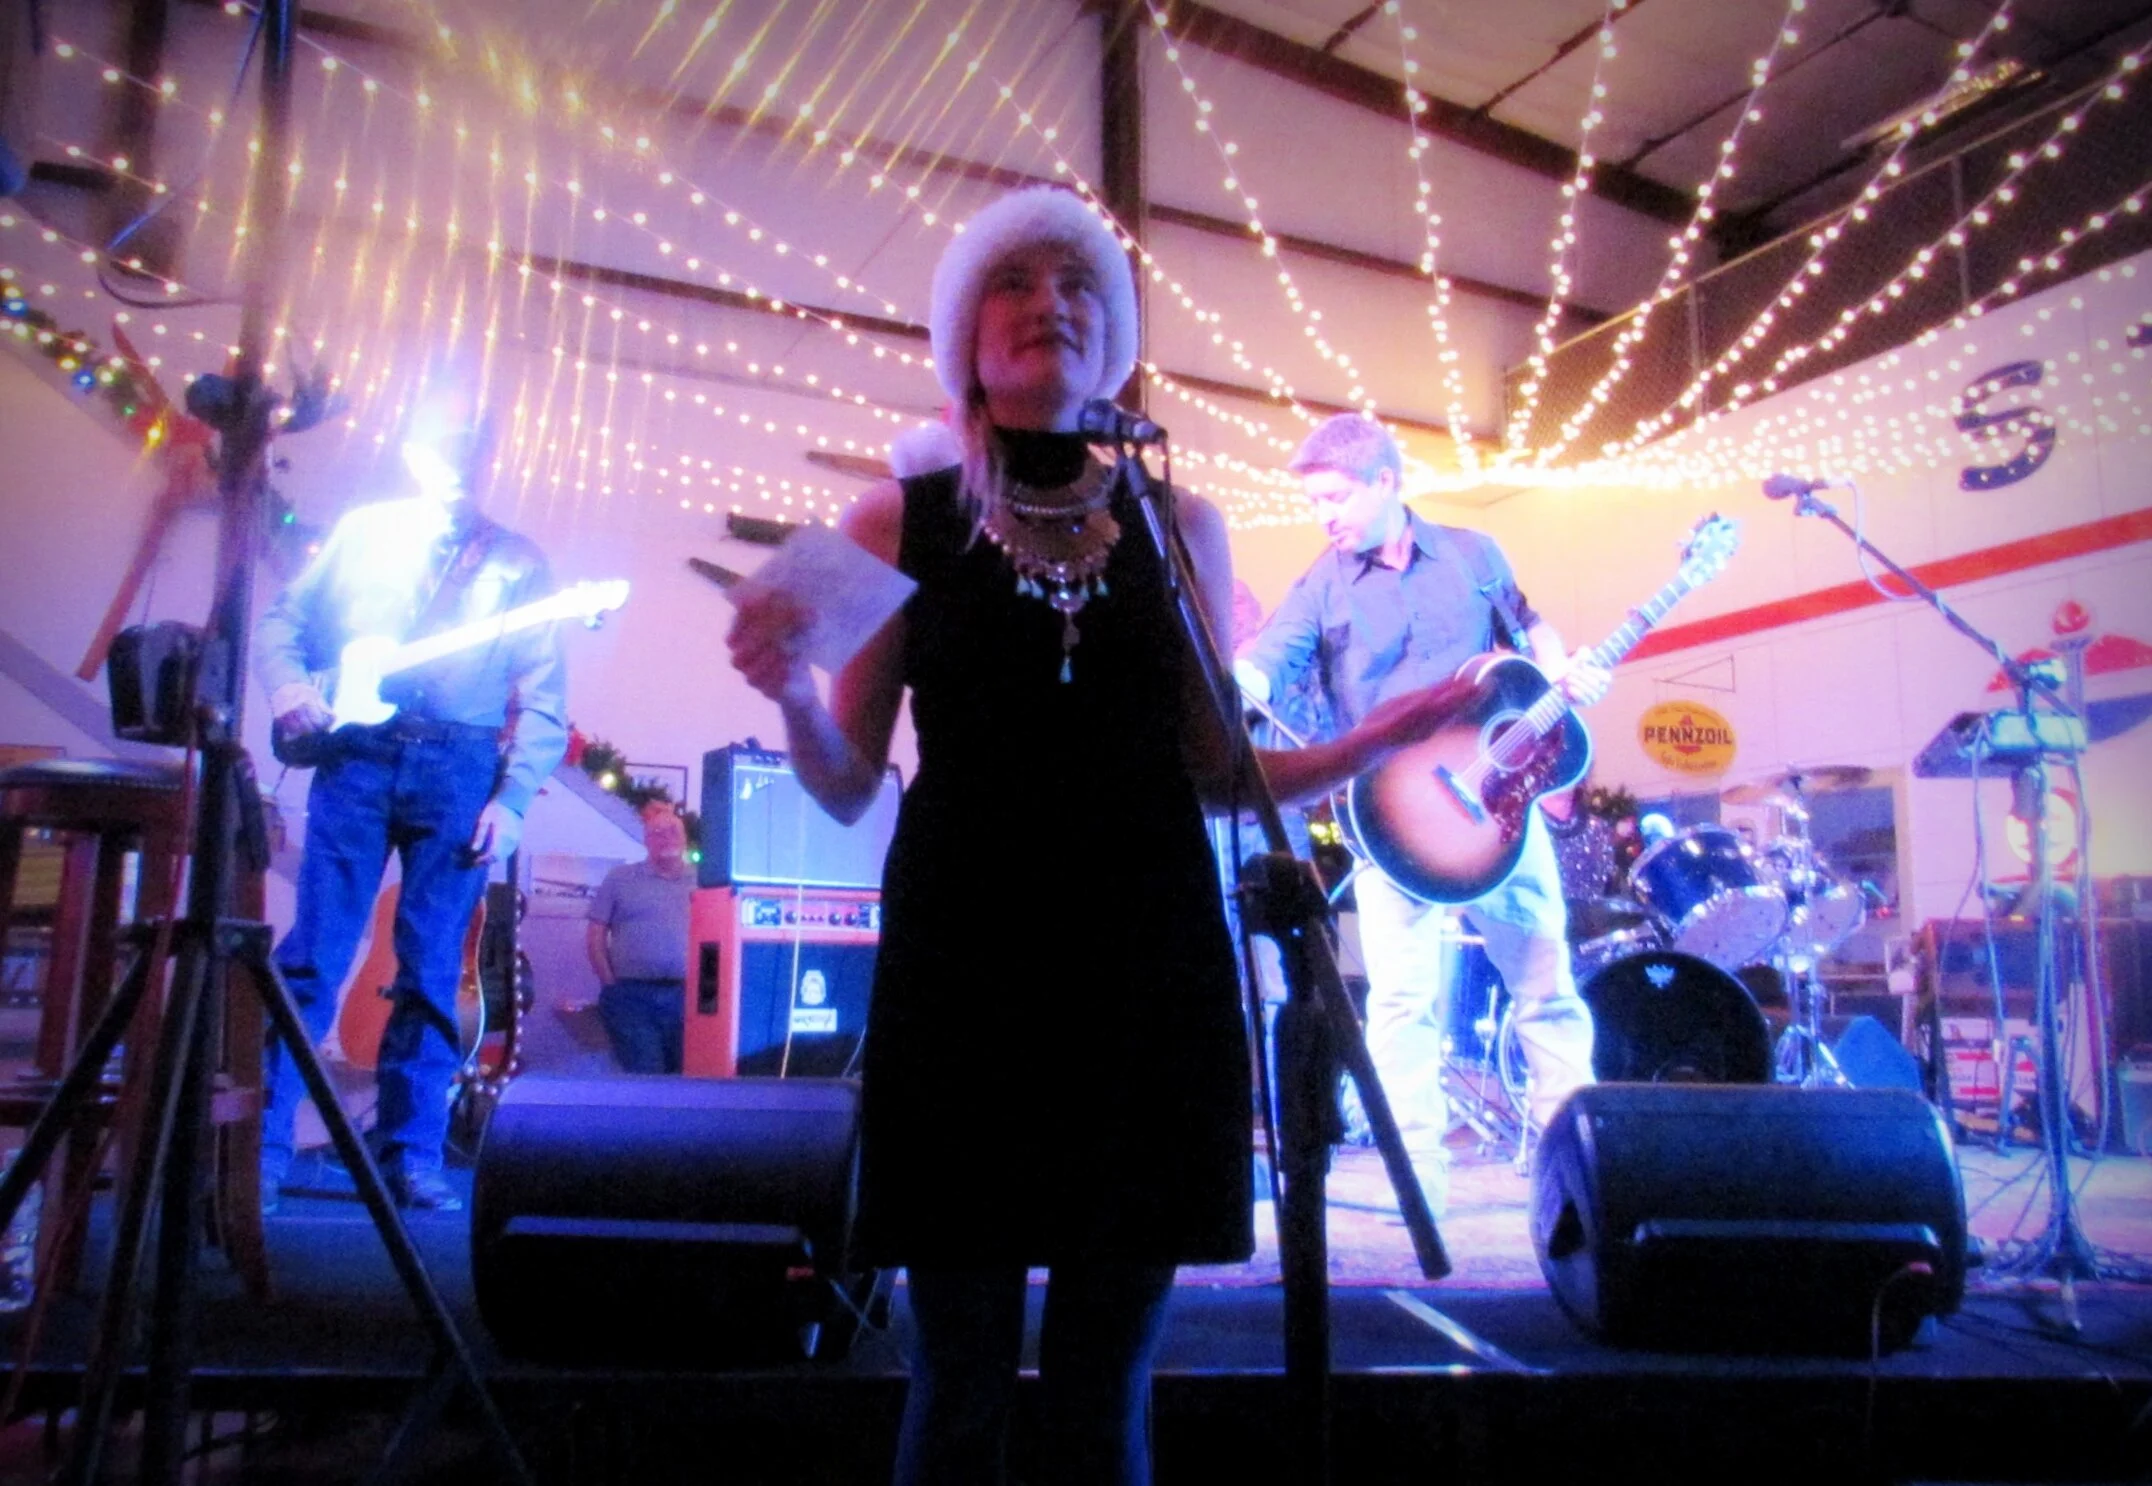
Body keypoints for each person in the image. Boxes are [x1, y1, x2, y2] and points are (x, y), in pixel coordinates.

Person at [726, 186, 1459, 1486]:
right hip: (967, 971)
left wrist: (1379, 735)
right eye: (1015, 282)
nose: (1050, 302)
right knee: (957, 1382)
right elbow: (843, 785)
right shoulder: (897, 518)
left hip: (1145, 967)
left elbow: (1218, 769)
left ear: (1110, 334)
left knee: (1105, 1389)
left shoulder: (1181, 524)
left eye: (1077, 284)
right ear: (966, 335)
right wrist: (788, 692)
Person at [1235, 413, 1612, 1201]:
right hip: (1395, 825)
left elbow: (1531, 626)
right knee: (1403, 1005)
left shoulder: (1476, 554)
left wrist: (1560, 671)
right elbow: (1266, 666)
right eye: (1313, 501)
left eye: (1335, 497)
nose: (1322, 516)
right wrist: (1231, 678)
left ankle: (1577, 1177)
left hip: (1501, 807)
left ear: (1385, 483)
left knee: (1546, 990)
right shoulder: (1321, 584)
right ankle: (1416, 1181)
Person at [255, 381, 567, 1213]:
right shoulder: (364, 533)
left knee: (433, 971)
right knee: (315, 957)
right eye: (445, 443)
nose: (460, 459)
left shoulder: (518, 561)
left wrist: (513, 799)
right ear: (414, 451)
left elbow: (544, 696)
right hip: (356, 758)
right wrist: (288, 688)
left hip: (462, 766)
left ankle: (410, 1157)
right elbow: (281, 623)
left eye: (474, 445)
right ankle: (260, 1153)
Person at [586, 801, 694, 1073]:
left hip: (690, 997)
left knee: (688, 1076)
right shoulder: (619, 878)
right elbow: (596, 933)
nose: (666, 837)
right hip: (631, 998)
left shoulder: (704, 882)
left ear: (685, 838)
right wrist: (610, 983)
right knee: (646, 1074)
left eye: (673, 831)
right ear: (646, 841)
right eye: (657, 833)